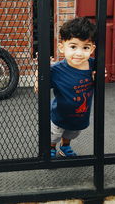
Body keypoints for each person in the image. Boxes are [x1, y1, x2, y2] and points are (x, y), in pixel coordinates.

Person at [34, 17, 97, 158]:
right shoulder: (56, 70)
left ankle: (65, 146)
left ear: (92, 48)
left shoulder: (93, 65)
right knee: (54, 135)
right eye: (73, 46)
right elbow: (40, 87)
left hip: (80, 115)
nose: (79, 53)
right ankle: (51, 148)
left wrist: (99, 75)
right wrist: (39, 77)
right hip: (59, 115)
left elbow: (101, 74)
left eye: (85, 47)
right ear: (62, 47)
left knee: (72, 133)